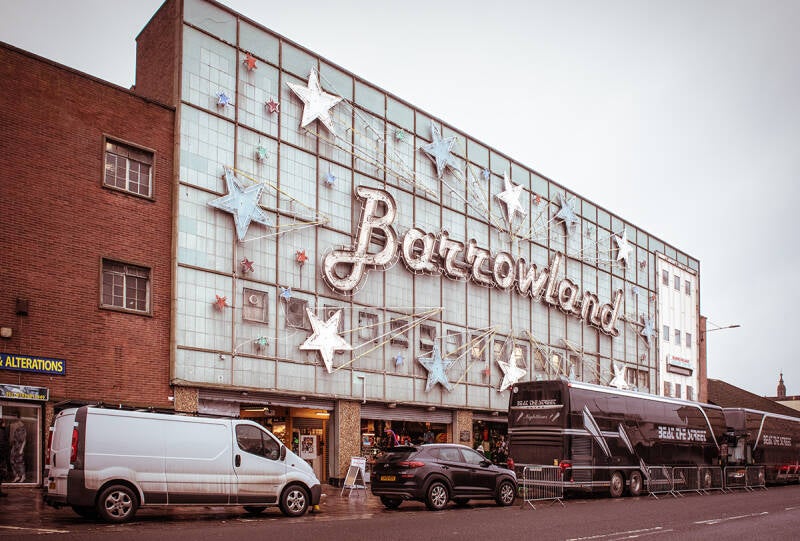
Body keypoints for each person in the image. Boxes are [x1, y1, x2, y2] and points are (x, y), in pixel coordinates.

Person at [10, 413, 26, 483]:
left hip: (19, 446)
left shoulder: (22, 426)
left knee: (20, 462)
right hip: (15, 445)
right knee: (12, 460)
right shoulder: (14, 425)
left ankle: (23, 476)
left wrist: (21, 449)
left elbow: (24, 439)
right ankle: (17, 475)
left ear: (18, 417)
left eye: (15, 416)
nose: (14, 418)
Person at [0, 419, 8, 496]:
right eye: (4, 423)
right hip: (1, 456)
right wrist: (3, 456)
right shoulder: (1, 432)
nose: (5, 424)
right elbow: (2, 445)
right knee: (1, 473)